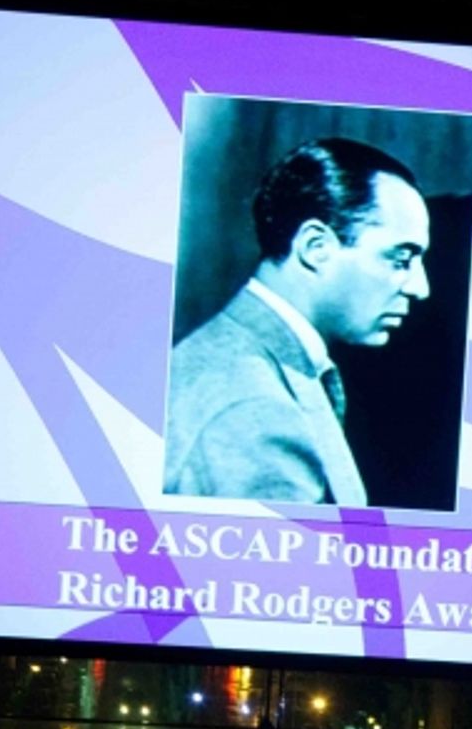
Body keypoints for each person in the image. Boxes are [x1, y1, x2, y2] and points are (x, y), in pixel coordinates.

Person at [163, 136, 431, 504]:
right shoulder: (257, 411)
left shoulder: (232, 354)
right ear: (315, 248)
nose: (421, 288)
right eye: (400, 260)